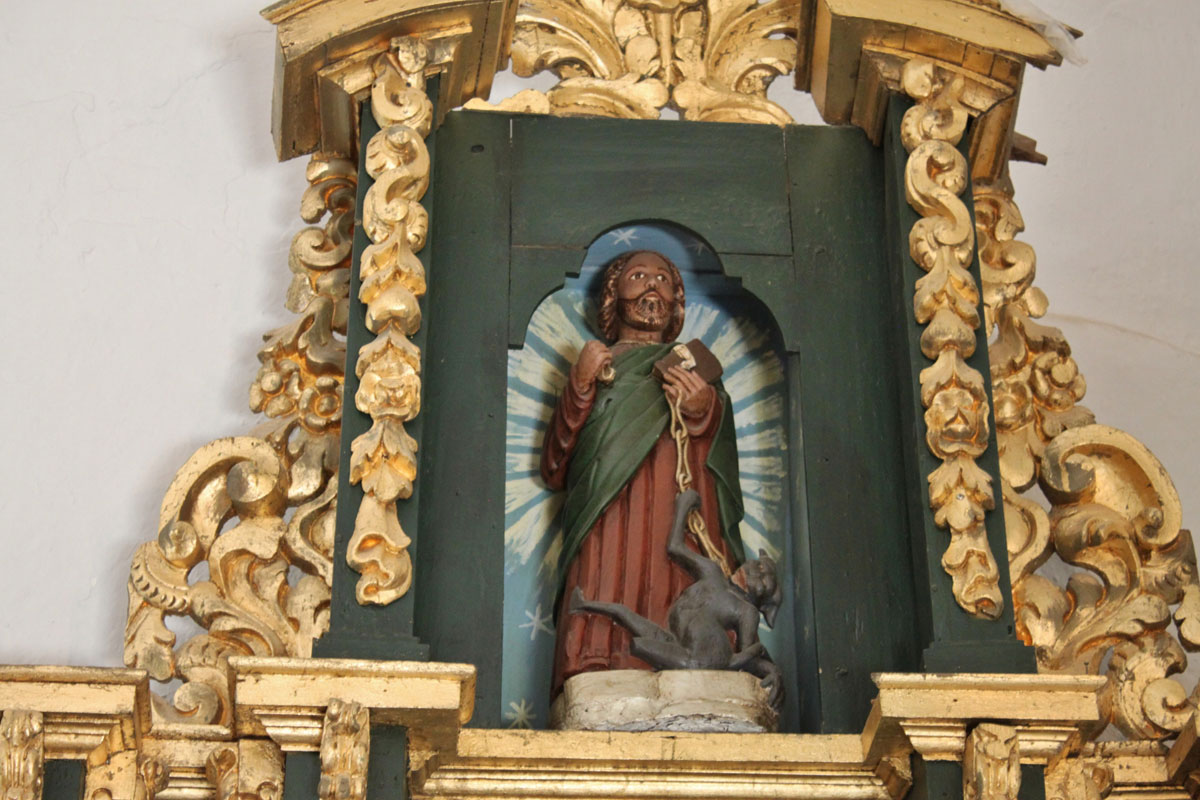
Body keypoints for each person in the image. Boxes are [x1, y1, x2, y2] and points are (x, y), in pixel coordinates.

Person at [541, 249, 745, 697]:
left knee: (679, 574)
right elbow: (555, 464)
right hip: (612, 507)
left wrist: (704, 409)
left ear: (676, 302)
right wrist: (581, 384)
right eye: (637, 276)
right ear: (613, 297)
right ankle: (598, 661)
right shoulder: (598, 364)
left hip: (680, 503)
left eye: (663, 280)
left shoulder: (695, 365)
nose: (652, 286)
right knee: (609, 568)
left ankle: (698, 659)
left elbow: (722, 452)